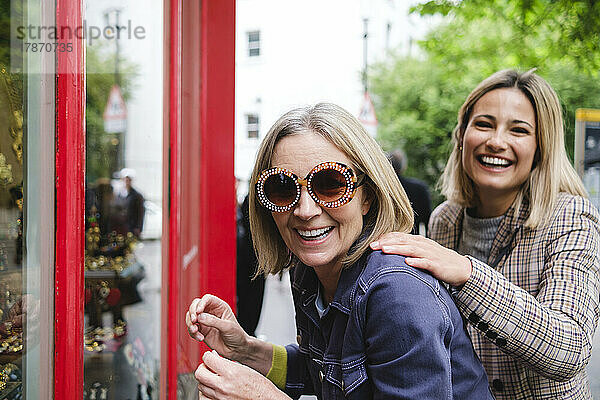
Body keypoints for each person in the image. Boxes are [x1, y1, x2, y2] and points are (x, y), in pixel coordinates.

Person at [186, 103, 493, 399]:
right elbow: (323, 372)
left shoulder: (397, 293)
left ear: (367, 197)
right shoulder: (308, 272)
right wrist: (246, 349)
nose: (305, 210)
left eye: (330, 184)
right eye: (282, 188)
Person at [371, 69, 600, 399]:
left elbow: (569, 349)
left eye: (518, 130)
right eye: (484, 124)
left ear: (541, 147)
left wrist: (466, 273)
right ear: (462, 135)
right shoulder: (445, 221)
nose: (497, 141)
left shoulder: (570, 216)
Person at [388, 148, 432, 235]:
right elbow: (427, 220)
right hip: (412, 241)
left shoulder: (382, 189)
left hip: (384, 243)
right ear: (403, 167)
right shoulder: (419, 188)